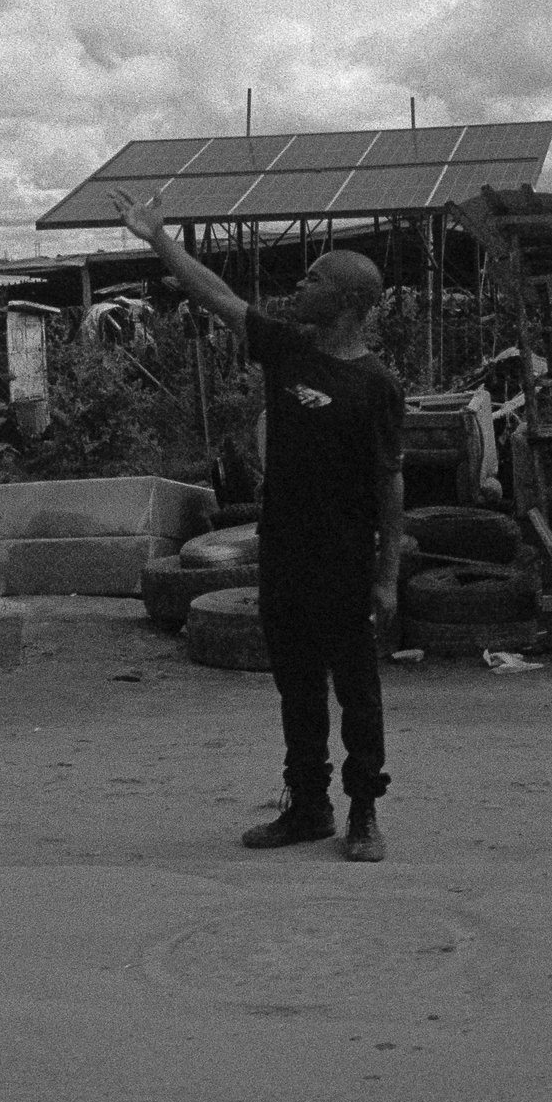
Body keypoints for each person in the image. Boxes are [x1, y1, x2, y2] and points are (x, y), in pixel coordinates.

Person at [113, 189, 405, 862]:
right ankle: (308, 807)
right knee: (296, 689)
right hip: (283, 558)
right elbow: (216, 295)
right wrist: (158, 239)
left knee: (356, 690)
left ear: (353, 302)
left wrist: (387, 576)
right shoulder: (287, 349)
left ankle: (364, 811)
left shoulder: (377, 385)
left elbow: (389, 484)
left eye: (317, 278)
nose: (302, 284)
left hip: (344, 563)